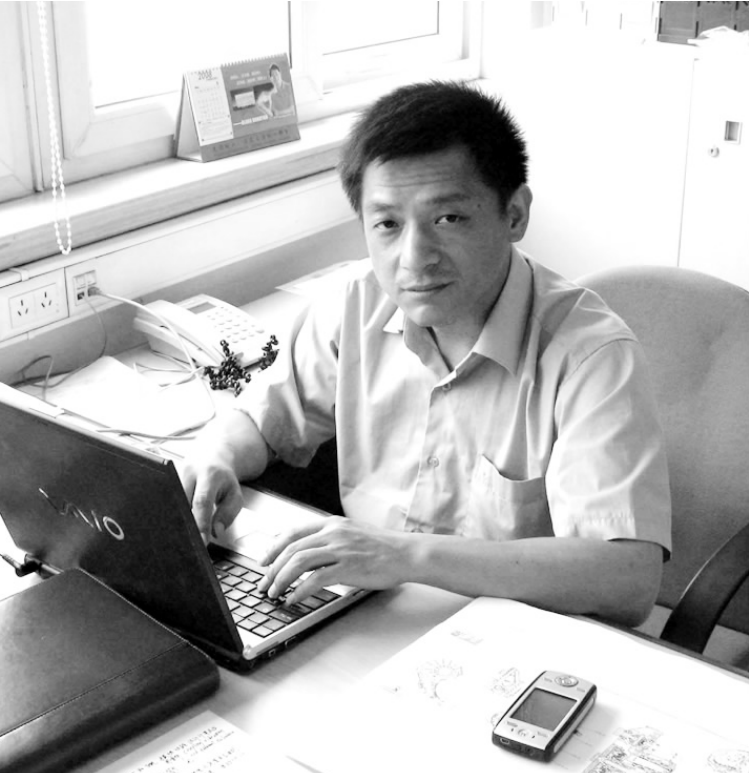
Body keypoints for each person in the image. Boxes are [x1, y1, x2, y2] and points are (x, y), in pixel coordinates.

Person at [181, 81, 671, 628]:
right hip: (373, 615)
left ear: (514, 214)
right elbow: (264, 420)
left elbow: (627, 578)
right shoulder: (354, 306)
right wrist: (216, 457)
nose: (414, 258)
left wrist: (404, 556)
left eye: (448, 219)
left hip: (518, 635)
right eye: (387, 224)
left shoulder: (590, 356)